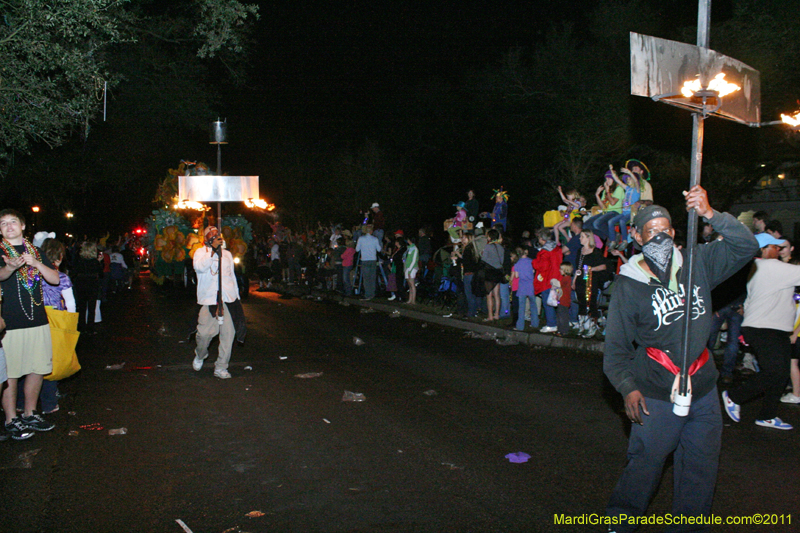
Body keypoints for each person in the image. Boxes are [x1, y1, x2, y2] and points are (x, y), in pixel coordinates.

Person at [603, 190, 759, 529]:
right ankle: (620, 522)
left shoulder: (697, 263)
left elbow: (747, 247)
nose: (659, 237)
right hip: (654, 396)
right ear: (637, 237)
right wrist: (627, 387)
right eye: (651, 232)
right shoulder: (628, 286)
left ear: (674, 232)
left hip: (702, 389)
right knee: (646, 465)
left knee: (701, 466)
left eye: (666, 230)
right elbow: (616, 349)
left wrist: (711, 214)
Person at [721, 232, 800, 430]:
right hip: (765, 328)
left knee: (781, 374)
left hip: (771, 328)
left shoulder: (755, 269)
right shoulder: (772, 267)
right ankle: (734, 396)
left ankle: (767, 416)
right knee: (774, 372)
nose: (779, 249)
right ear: (763, 250)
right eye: (775, 246)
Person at [0, 209, 60, 437]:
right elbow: (1, 275)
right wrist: (11, 267)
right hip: (9, 323)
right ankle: (11, 419)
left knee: (37, 369)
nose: (8, 226)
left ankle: (30, 413)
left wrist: (36, 263)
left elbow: (54, 279)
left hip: (37, 320)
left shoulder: (35, 251)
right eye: (3, 224)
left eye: (13, 222)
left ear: (23, 226)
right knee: (11, 373)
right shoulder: (1, 252)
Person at [191, 226, 244, 380]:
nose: (215, 236)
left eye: (217, 234)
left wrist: (237, 298)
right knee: (203, 334)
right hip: (209, 299)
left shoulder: (227, 254)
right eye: (211, 234)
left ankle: (221, 367)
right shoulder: (200, 253)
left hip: (228, 299)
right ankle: (200, 355)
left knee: (228, 333)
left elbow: (231, 277)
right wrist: (213, 251)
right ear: (205, 238)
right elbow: (199, 268)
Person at [586, 170, 624, 241]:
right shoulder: (605, 191)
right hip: (606, 212)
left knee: (597, 223)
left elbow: (612, 203)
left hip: (615, 212)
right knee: (586, 225)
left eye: (609, 179)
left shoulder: (619, 189)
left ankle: (615, 235)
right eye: (606, 179)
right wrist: (597, 195)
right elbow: (602, 207)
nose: (607, 181)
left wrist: (607, 191)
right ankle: (608, 236)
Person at [480, 229, 508, 322]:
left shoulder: (488, 247)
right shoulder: (500, 247)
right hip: (498, 272)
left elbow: (484, 260)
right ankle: (497, 315)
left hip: (489, 273)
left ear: (490, 236)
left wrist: (482, 254)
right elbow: (502, 260)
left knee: (489, 295)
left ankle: (490, 316)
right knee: (497, 294)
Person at [355, 225, 382, 300]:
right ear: (371, 231)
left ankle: (367, 294)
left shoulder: (361, 239)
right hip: (373, 260)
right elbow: (379, 249)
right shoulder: (375, 239)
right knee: (372, 277)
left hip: (365, 260)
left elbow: (357, 249)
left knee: (366, 278)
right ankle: (372, 294)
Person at [513, 247, 534, 331]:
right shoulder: (531, 261)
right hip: (531, 285)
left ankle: (520, 326)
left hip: (522, 285)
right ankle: (535, 323)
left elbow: (516, 276)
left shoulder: (517, 263)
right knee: (533, 305)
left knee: (521, 307)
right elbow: (533, 271)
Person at [556, 262, 573, 336]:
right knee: (562, 315)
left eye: (561, 269)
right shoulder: (567, 278)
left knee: (562, 316)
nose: (559, 270)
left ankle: (563, 331)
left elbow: (559, 286)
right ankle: (560, 330)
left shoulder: (566, 279)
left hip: (563, 300)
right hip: (564, 300)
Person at [404, 235, 419, 305]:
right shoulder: (409, 248)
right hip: (407, 267)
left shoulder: (415, 249)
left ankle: (413, 300)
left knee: (412, 284)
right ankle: (410, 300)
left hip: (412, 268)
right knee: (409, 285)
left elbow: (414, 260)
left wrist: (410, 270)